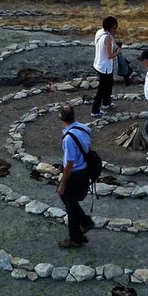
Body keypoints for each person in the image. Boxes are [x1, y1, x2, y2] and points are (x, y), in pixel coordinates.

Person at [56, 105, 95, 248]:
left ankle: (75, 238)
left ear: (61, 118)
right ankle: (85, 222)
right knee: (70, 202)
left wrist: (63, 183)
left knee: (70, 205)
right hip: (85, 170)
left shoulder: (68, 139)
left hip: (75, 174)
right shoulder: (84, 128)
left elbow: (70, 163)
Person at [91, 16, 118, 118]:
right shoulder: (107, 38)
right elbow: (110, 55)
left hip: (98, 64)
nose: (115, 30)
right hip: (104, 67)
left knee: (109, 84)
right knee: (102, 89)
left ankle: (106, 103)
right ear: (110, 27)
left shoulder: (99, 32)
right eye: (114, 27)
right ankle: (95, 110)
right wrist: (118, 52)